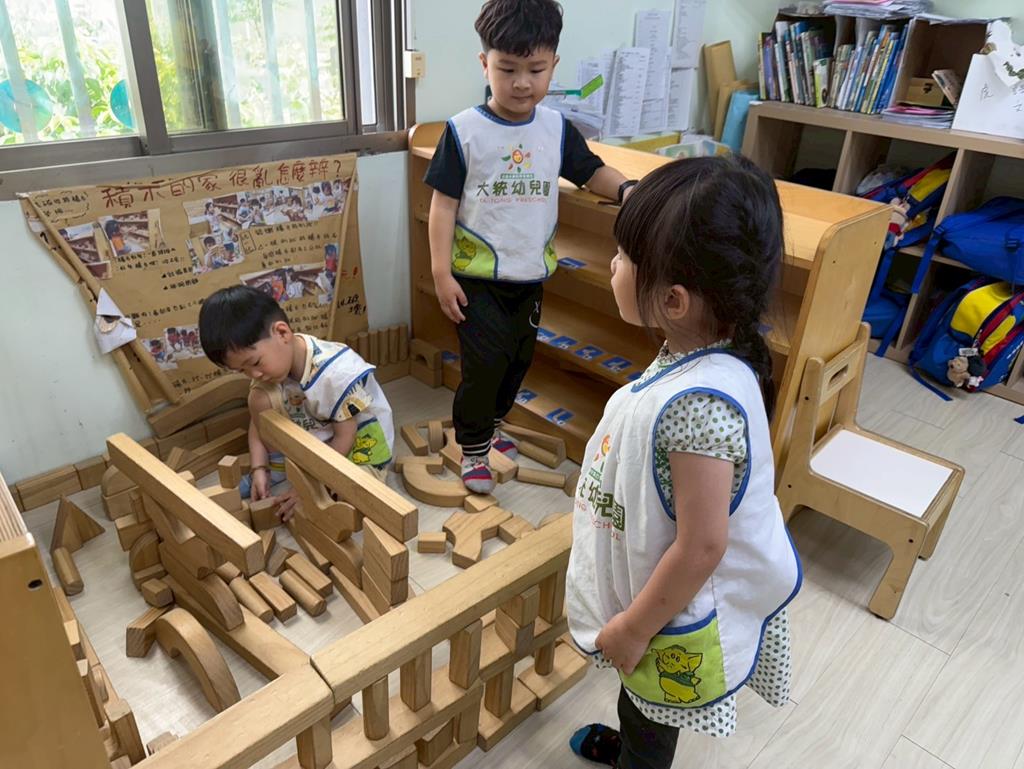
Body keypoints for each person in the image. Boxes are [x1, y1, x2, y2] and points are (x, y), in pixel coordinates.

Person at [565, 155, 802, 769]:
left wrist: (635, 628)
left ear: (673, 300)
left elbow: (703, 546)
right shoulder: (706, 351)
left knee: (650, 711)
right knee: (641, 706)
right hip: (663, 590)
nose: (612, 265)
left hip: (671, 608)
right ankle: (634, 744)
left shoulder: (699, 407)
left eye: (623, 256)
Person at [425, 0, 635, 493]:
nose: (522, 83)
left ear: (553, 65)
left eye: (536, 70)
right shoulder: (463, 131)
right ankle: (473, 448)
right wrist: (440, 273)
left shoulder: (556, 129)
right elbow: (442, 206)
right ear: (485, 64)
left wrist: (627, 189)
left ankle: (493, 427)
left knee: (518, 362)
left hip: (531, 278)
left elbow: (590, 172)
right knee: (483, 368)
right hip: (475, 280)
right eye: (508, 69)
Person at [198, 285, 395, 519]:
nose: (253, 374)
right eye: (242, 370)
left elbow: (345, 437)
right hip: (318, 429)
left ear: (282, 333)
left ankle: (319, 478)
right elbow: (258, 421)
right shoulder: (272, 366)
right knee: (259, 398)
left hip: (358, 439)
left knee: (348, 499)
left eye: (255, 363)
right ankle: (277, 468)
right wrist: (259, 467)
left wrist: (309, 487)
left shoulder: (335, 374)